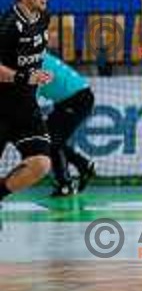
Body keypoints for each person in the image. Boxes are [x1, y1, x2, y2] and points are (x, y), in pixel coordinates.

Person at [0, 0, 53, 202]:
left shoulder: (43, 18)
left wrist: (38, 73)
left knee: (41, 164)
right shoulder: (8, 25)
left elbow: (30, 54)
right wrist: (25, 77)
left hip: (24, 106)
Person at [38, 52, 96, 196]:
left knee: (52, 142)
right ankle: (82, 166)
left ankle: (65, 184)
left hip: (77, 99)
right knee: (49, 140)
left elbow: (29, 99)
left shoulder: (33, 64)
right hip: (69, 100)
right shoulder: (35, 56)